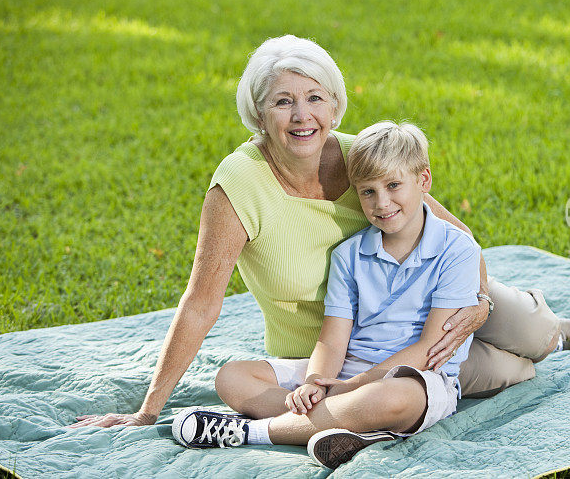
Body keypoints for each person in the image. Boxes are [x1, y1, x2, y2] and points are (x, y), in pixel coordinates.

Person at [70, 34, 570, 430]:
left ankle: (543, 318)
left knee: (533, 335)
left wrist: (479, 303)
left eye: (315, 98)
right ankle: (336, 412)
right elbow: (201, 304)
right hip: (346, 349)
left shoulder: (361, 159)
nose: (303, 117)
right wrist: (146, 412)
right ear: (258, 113)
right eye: (283, 101)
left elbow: (457, 233)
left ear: (335, 104)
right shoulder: (236, 188)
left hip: (442, 297)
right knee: (496, 371)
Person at [172, 121, 481, 470]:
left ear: (424, 180)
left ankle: (251, 431)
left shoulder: (457, 250)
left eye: (394, 186)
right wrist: (314, 384)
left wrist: (351, 388)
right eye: (367, 192)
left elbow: (428, 350)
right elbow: (333, 340)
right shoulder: (349, 254)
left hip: (419, 377)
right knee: (232, 377)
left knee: (396, 398)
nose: (382, 203)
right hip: (346, 371)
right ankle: (353, 426)